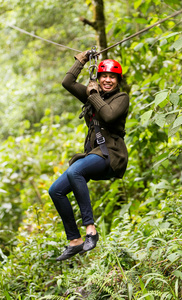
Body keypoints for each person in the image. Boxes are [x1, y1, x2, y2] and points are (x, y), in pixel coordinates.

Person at [49, 51, 129, 261]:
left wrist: (93, 95)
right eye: (104, 76)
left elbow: (109, 115)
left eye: (112, 77)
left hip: (112, 155)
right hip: (95, 154)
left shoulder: (121, 98)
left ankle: (91, 230)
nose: (107, 80)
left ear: (117, 81)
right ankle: (74, 240)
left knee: (75, 170)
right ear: (98, 77)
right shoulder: (93, 93)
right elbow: (67, 82)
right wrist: (81, 61)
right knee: (55, 190)